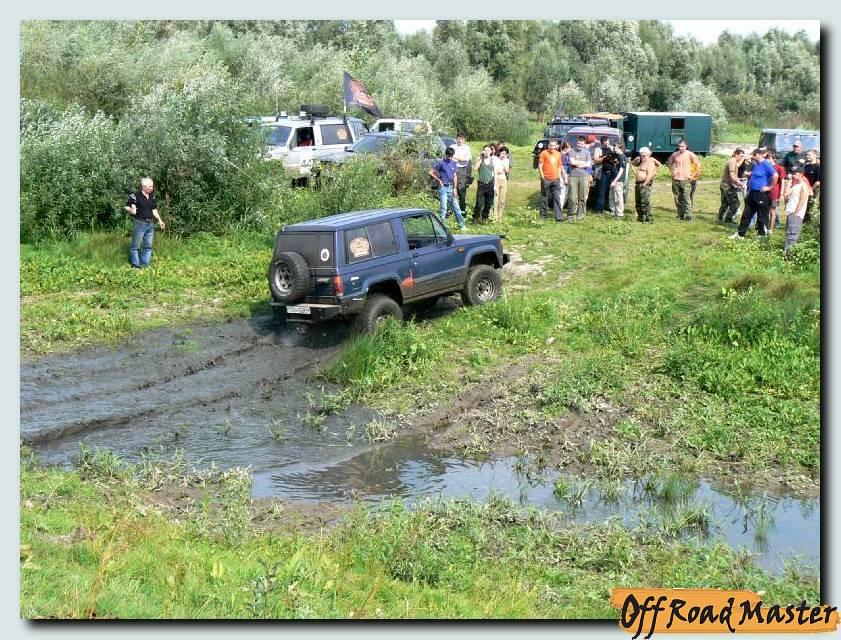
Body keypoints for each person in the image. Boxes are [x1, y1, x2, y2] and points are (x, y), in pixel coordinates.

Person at [730, 148, 777, 240]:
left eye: (754, 155)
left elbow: (775, 175)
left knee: (762, 215)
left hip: (761, 193)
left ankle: (762, 236)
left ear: (759, 154)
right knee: (746, 213)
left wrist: (769, 187)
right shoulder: (756, 164)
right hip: (752, 193)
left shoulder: (766, 164)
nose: (752, 156)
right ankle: (740, 234)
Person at [125, 177, 165, 269]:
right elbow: (126, 206)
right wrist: (130, 210)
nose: (152, 188)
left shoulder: (152, 196)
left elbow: (154, 209)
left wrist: (160, 220)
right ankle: (135, 266)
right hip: (139, 224)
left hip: (150, 224)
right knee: (135, 246)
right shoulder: (135, 196)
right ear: (144, 186)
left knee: (148, 246)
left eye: (152, 186)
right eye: (150, 186)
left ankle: (145, 265)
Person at [429, 147, 467, 230]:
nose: (450, 157)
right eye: (448, 156)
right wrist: (439, 180)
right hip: (443, 188)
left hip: (451, 187)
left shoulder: (454, 163)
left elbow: (455, 176)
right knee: (444, 208)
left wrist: (455, 189)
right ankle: (441, 227)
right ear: (446, 154)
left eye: (451, 156)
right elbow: (430, 172)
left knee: (456, 207)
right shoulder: (440, 163)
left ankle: (462, 225)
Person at [668, 139, 701, 220]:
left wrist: (693, 175)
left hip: (686, 180)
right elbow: (670, 163)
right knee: (677, 198)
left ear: (686, 146)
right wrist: (672, 172)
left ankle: (688, 215)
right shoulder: (675, 154)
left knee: (686, 198)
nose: (680, 148)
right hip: (676, 179)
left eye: (682, 146)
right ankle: (680, 214)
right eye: (679, 146)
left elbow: (698, 164)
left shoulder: (690, 154)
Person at [783, 167, 812, 254]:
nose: (793, 175)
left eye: (795, 174)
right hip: (790, 212)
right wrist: (789, 184)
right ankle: (786, 253)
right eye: (793, 174)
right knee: (788, 233)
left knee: (792, 235)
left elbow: (802, 201)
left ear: (801, 175)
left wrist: (796, 213)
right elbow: (785, 194)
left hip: (796, 214)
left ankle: (790, 255)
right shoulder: (795, 185)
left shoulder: (804, 186)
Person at [630, 147, 661, 223]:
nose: (642, 157)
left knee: (645, 202)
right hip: (638, 184)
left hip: (645, 184)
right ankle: (640, 218)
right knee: (638, 202)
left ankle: (649, 219)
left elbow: (650, 175)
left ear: (648, 154)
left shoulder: (650, 162)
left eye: (644, 155)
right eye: (641, 155)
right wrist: (636, 159)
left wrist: (644, 184)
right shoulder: (641, 160)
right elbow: (632, 163)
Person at [538, 138, 566, 222]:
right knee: (544, 197)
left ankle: (559, 217)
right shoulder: (544, 153)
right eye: (550, 145)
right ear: (548, 145)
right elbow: (540, 166)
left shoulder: (558, 154)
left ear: (556, 146)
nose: (552, 147)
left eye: (554, 145)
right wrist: (542, 177)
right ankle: (543, 216)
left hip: (555, 179)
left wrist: (558, 176)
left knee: (557, 197)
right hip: (546, 179)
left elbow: (559, 166)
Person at [567, 136, 592, 220]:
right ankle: (571, 214)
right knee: (572, 197)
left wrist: (577, 164)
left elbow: (588, 164)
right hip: (573, 176)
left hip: (584, 176)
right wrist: (583, 163)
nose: (579, 145)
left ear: (584, 144)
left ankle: (580, 214)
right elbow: (572, 162)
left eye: (581, 144)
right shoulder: (571, 151)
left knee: (583, 196)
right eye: (578, 143)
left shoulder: (587, 153)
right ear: (576, 143)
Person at [717, 148, 745, 224]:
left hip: (726, 185)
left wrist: (737, 184)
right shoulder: (732, 161)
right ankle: (728, 219)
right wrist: (739, 183)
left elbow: (734, 175)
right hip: (727, 186)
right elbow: (732, 175)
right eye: (741, 156)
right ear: (736, 154)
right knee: (735, 204)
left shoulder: (733, 161)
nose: (742, 158)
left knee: (725, 203)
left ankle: (719, 219)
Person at [473, 145, 498, 223]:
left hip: (490, 184)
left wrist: (495, 186)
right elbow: (475, 168)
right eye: (485, 150)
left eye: (488, 150)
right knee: (479, 203)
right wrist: (481, 158)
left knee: (488, 203)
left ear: (491, 151)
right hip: (481, 184)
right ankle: (475, 217)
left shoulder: (493, 160)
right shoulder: (479, 159)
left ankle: (484, 218)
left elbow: (495, 174)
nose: (486, 152)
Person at [450, 132, 473, 215]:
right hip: (452, 168)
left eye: (462, 139)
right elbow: (449, 157)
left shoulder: (466, 148)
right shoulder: (452, 146)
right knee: (451, 188)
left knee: (461, 189)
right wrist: (460, 158)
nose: (460, 140)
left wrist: (456, 157)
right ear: (456, 139)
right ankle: (451, 209)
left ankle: (462, 209)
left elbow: (466, 159)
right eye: (459, 138)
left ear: (464, 140)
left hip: (462, 169)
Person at [767, 148, 787, 233]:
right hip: (766, 192)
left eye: (769, 158)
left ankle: (770, 229)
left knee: (772, 211)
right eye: (766, 158)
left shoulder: (779, 168)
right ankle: (765, 227)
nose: (767, 160)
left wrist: (781, 194)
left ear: (773, 158)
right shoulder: (766, 167)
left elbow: (783, 181)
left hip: (774, 193)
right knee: (765, 210)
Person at [606, 141, 627, 218]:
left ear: (621, 149)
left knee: (618, 197)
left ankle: (620, 213)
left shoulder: (622, 157)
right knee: (611, 195)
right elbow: (611, 147)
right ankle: (613, 210)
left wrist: (615, 181)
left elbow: (621, 170)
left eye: (616, 148)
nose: (615, 149)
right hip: (613, 178)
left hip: (618, 180)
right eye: (614, 148)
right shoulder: (617, 155)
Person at [492, 146, 511, 222]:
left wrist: (503, 162)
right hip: (496, 179)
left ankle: (500, 216)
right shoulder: (495, 159)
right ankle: (494, 216)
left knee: (502, 200)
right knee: (495, 199)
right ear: (499, 152)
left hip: (503, 179)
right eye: (502, 153)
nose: (503, 155)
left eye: (505, 154)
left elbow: (507, 171)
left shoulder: (507, 160)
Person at [594, 136, 613, 212]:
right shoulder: (598, 149)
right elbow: (596, 160)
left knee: (610, 191)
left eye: (607, 143)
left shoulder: (612, 148)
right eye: (605, 144)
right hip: (602, 173)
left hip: (612, 173)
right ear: (602, 143)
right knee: (601, 191)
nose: (607, 145)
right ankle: (599, 209)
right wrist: (604, 158)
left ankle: (607, 206)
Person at [803, 149, 820, 223]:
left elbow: (818, 182)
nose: (807, 156)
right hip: (805, 188)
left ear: (815, 155)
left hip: (813, 189)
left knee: (809, 205)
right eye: (807, 155)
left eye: (809, 155)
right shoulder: (806, 166)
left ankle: (807, 222)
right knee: (803, 204)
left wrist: (810, 189)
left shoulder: (818, 167)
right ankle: (803, 220)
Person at [558, 141, 572, 211]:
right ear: (565, 148)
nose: (570, 149)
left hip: (567, 174)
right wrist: (565, 177)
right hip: (563, 175)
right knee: (563, 192)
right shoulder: (562, 155)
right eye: (569, 148)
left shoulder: (567, 155)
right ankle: (559, 208)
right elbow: (562, 167)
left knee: (566, 192)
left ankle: (561, 207)